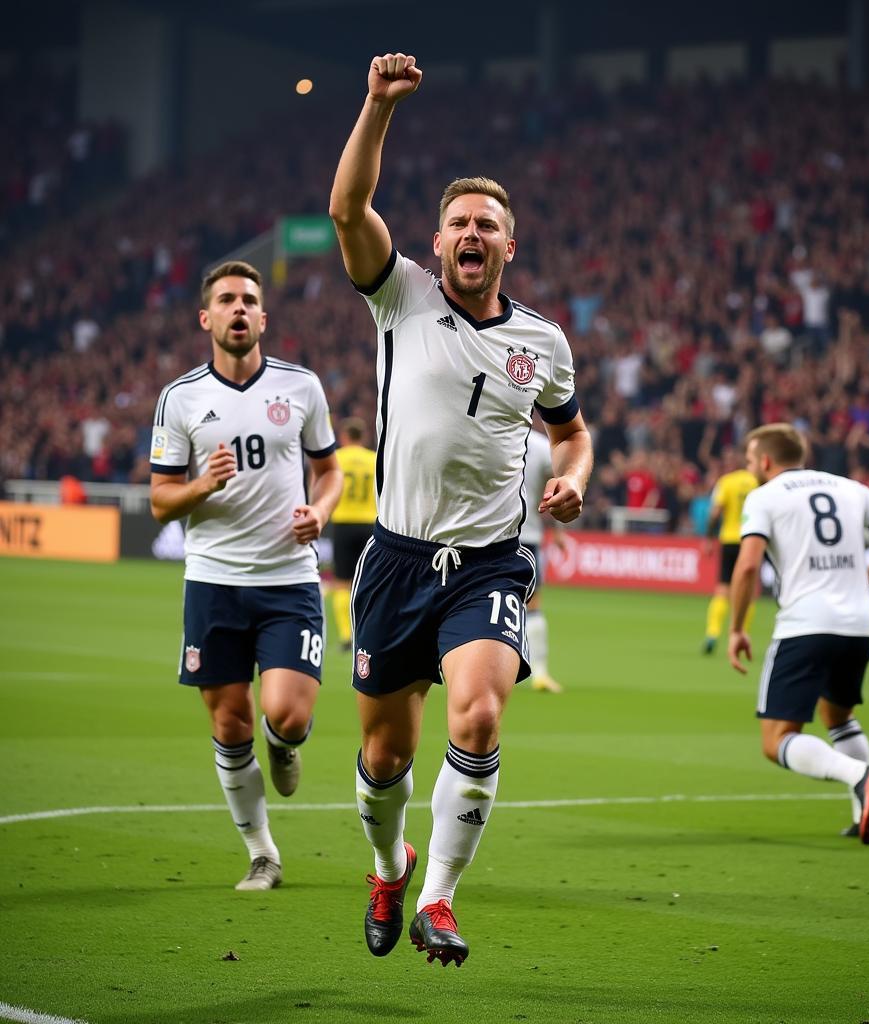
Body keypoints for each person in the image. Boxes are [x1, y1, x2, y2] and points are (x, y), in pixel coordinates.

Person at [328, 52, 592, 967]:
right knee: (384, 762)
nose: (471, 233)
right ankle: (388, 866)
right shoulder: (400, 296)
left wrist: (575, 474)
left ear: (509, 246)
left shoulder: (544, 342)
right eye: (457, 222)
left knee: (477, 719)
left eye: (487, 224)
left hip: (487, 563)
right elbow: (347, 210)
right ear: (436, 243)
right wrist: (376, 107)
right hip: (396, 560)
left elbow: (575, 430)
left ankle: (438, 898)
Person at [149, 260, 341, 891]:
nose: (238, 309)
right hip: (213, 581)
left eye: (248, 300)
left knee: (284, 714)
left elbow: (330, 470)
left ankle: (283, 743)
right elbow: (160, 500)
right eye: (226, 299)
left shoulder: (302, 387)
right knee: (228, 723)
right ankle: (263, 854)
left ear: (264, 317)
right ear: (207, 317)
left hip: (288, 579)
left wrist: (322, 508)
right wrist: (202, 484)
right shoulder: (181, 399)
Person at [727, 423, 869, 844]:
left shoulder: (764, 497)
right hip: (860, 626)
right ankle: (862, 812)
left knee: (776, 739)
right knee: (838, 716)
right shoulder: (849, 487)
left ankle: (860, 776)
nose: (749, 469)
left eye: (749, 461)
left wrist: (737, 629)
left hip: (806, 626)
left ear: (764, 461)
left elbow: (746, 568)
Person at [521, 419, 569, 693]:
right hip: (527, 538)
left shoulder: (485, 434)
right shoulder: (540, 446)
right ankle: (539, 673)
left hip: (485, 538)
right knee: (533, 605)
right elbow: (555, 493)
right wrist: (559, 531)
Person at [702, 449, 758, 654]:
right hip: (751, 540)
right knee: (748, 592)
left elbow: (715, 512)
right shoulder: (755, 481)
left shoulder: (726, 482)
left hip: (729, 539)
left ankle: (712, 633)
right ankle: (741, 632)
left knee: (722, 589)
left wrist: (708, 538)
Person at [329, 416, 377, 651]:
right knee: (370, 582)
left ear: (344, 437)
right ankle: (368, 632)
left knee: (341, 584)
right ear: (364, 436)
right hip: (369, 525)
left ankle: (347, 636)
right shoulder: (374, 459)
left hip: (343, 524)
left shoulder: (336, 458)